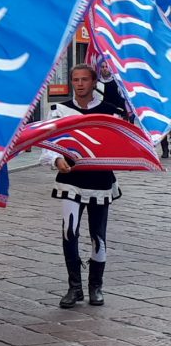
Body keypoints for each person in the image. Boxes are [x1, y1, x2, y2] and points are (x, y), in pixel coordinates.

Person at [41, 64, 122, 309]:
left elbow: (120, 140)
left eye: (84, 79)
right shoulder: (59, 110)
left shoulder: (109, 110)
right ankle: (74, 287)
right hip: (71, 181)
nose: (79, 84)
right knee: (69, 233)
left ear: (93, 81)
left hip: (100, 180)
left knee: (98, 236)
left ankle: (96, 286)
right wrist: (55, 159)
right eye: (75, 79)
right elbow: (47, 140)